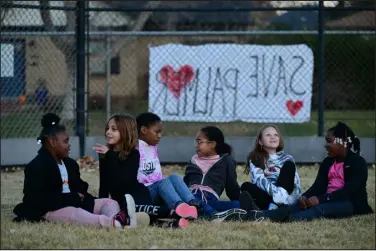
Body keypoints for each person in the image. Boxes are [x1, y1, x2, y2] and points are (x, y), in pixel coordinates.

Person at [13, 113, 149, 229]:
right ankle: (113, 222)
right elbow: (38, 199)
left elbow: (80, 189)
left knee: (110, 203)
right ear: (53, 142)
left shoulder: (70, 164)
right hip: (52, 209)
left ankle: (119, 219)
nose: (69, 145)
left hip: (75, 202)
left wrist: (84, 196)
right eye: (66, 142)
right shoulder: (38, 166)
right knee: (75, 212)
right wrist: (72, 198)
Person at [217, 122, 374, 222]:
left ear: (344, 142)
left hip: (349, 203)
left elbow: (349, 191)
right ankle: (265, 214)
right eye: (326, 141)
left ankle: (282, 217)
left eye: (329, 141)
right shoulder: (328, 163)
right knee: (299, 206)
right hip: (286, 197)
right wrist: (305, 197)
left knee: (317, 210)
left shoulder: (357, 163)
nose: (325, 146)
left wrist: (321, 199)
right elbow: (318, 185)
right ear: (260, 141)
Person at [97, 114, 189, 228]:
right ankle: (170, 223)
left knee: (145, 210)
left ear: (125, 131)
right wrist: (101, 204)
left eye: (113, 129)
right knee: (140, 215)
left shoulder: (133, 154)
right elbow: (104, 182)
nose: (108, 132)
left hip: (137, 196)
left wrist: (110, 156)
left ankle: (175, 214)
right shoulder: (105, 154)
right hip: (121, 201)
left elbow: (124, 181)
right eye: (107, 128)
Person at [136, 112, 200, 221]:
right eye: (157, 132)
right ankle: (179, 207)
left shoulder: (152, 146)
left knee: (174, 177)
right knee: (163, 182)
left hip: (158, 190)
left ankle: (192, 204)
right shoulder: (135, 147)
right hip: (144, 193)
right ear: (144, 130)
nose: (160, 135)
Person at [184, 126, 249, 219]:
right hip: (190, 196)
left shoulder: (225, 161)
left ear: (212, 144)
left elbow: (232, 187)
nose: (196, 145)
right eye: (196, 142)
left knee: (238, 205)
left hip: (210, 200)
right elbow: (185, 183)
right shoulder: (193, 160)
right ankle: (209, 213)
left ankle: (197, 211)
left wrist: (240, 200)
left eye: (199, 142)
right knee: (184, 200)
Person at [240, 124, 302, 210]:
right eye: (268, 135)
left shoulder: (288, 158)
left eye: (276, 135)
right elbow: (259, 180)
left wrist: (294, 200)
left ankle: (281, 207)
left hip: (286, 196)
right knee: (245, 186)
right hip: (266, 195)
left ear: (279, 140)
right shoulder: (255, 158)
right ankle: (273, 207)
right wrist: (278, 195)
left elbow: (296, 183)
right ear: (260, 141)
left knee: (289, 165)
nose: (273, 137)